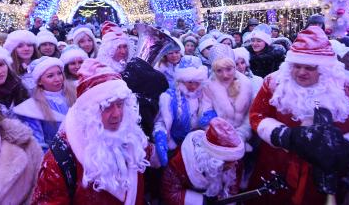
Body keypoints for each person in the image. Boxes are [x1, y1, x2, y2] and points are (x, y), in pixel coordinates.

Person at [248, 26, 349, 204]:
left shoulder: (346, 88)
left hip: (325, 174)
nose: (301, 72)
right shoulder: (274, 83)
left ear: (324, 68)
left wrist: (346, 146)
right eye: (297, 66)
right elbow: (256, 115)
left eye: (309, 67)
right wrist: (282, 135)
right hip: (278, 165)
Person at [31, 59, 158, 204]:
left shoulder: (130, 137)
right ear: (89, 113)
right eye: (107, 106)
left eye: (120, 104)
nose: (117, 114)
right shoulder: (62, 157)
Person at [161, 118, 245, 205]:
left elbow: (233, 188)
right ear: (215, 161)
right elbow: (170, 193)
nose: (235, 163)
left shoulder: (235, 162)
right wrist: (201, 202)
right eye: (230, 161)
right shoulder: (180, 163)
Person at [153, 56, 212, 166]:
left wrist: (212, 116)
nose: (194, 86)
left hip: (200, 148)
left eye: (197, 82)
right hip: (176, 148)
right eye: (190, 82)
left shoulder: (205, 95)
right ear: (182, 80)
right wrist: (160, 134)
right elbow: (161, 122)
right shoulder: (170, 97)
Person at [14, 57, 73, 151]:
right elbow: (39, 143)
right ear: (40, 81)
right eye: (50, 76)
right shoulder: (34, 106)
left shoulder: (74, 95)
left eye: (59, 73)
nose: (58, 79)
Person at [201, 44, 252, 146]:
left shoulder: (246, 84)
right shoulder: (209, 86)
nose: (225, 75)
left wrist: (241, 134)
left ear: (234, 67)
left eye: (228, 69)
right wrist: (217, 132)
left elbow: (250, 114)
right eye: (219, 70)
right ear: (214, 71)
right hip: (217, 137)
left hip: (242, 138)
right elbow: (205, 111)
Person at [4, 30, 39, 94]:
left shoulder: (41, 64)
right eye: (20, 46)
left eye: (29, 45)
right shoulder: (8, 70)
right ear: (13, 49)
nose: (26, 49)